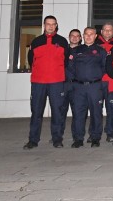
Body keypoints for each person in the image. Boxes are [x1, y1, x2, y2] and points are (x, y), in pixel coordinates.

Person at [24, 15, 69, 149]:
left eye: (53, 24)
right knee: (36, 112)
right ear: (44, 25)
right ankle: (33, 140)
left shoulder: (62, 41)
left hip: (56, 82)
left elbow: (66, 61)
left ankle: (57, 139)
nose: (50, 26)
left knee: (57, 112)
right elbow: (31, 60)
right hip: (39, 82)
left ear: (56, 25)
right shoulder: (36, 41)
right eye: (48, 24)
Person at [67, 27, 106, 148]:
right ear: (83, 36)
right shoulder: (76, 50)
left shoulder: (101, 51)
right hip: (79, 87)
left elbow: (104, 67)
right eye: (86, 34)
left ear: (96, 36)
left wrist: (95, 77)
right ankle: (78, 139)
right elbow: (70, 68)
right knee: (78, 114)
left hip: (95, 87)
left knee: (96, 113)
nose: (88, 36)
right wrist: (75, 81)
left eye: (91, 34)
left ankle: (95, 138)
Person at [97, 23, 113, 142]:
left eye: (110, 30)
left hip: (112, 82)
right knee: (96, 109)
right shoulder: (95, 44)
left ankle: (110, 132)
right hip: (97, 82)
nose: (108, 32)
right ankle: (95, 133)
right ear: (101, 31)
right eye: (105, 30)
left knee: (111, 109)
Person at [61, 28, 82, 140]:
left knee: (78, 113)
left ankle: (77, 137)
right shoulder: (63, 50)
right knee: (60, 112)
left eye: (77, 36)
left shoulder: (84, 51)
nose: (74, 38)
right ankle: (57, 136)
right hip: (63, 85)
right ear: (69, 37)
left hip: (77, 86)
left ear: (80, 38)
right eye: (72, 36)